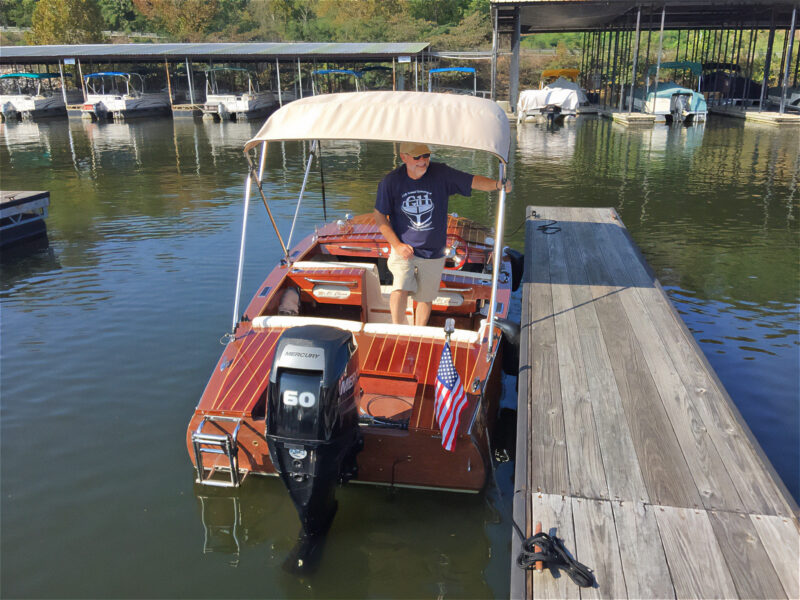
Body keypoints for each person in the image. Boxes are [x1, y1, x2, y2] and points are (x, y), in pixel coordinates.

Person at [374, 142, 512, 327]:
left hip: (434, 252)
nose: (423, 161)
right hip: (403, 249)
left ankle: (419, 331)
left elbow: (471, 181)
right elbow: (380, 216)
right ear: (404, 157)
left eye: (426, 156)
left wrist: (497, 185)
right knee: (400, 286)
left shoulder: (441, 174)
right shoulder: (390, 182)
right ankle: (399, 330)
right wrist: (397, 245)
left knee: (426, 297)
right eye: (417, 157)